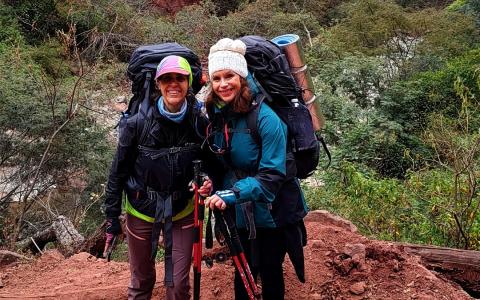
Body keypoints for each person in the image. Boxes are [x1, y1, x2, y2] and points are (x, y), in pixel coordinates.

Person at [204, 38, 308, 300]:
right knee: (243, 272)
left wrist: (231, 194)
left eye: (229, 76)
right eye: (217, 78)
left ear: (242, 76)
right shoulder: (218, 115)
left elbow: (273, 175)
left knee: (270, 271)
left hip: (275, 210)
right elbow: (220, 161)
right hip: (239, 210)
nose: (223, 84)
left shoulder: (265, 118)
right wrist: (209, 182)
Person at [104, 55, 214, 300]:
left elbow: (211, 162)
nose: (173, 84)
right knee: (141, 281)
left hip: (183, 210)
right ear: (157, 83)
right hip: (142, 210)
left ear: (189, 83)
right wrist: (112, 217)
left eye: (180, 78)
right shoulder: (136, 124)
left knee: (178, 286)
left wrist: (207, 179)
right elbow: (117, 172)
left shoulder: (199, 122)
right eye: (167, 78)